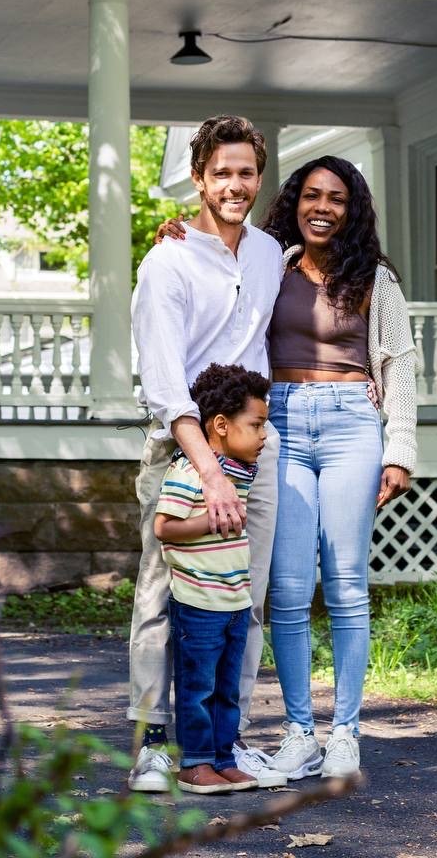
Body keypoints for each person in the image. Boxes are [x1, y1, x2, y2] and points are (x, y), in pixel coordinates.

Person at [128, 114, 287, 792]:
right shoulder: (165, 262)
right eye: (220, 172)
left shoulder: (266, 253)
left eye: (245, 172)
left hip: (256, 450)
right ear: (197, 178)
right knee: (161, 600)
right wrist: (207, 473)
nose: (234, 184)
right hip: (182, 446)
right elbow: (165, 385)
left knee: (241, 599)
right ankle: (153, 744)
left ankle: (226, 740)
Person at [262, 156, 417, 781]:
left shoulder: (375, 277)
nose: (322, 207)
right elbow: (210, 278)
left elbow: (400, 363)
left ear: (352, 210)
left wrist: (400, 448)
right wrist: (175, 234)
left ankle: (345, 733)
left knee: (348, 584)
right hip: (281, 422)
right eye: (311, 195)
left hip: (353, 422)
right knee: (289, 588)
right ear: (295, 202)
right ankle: (299, 733)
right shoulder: (267, 265)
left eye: (337, 199)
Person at [154, 363, 270, 794]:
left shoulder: (240, 473)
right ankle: (195, 763)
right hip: (199, 603)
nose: (263, 435)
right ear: (220, 425)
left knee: (225, 689)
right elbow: (164, 527)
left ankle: (223, 757)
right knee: (197, 688)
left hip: (235, 603)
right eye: (256, 424)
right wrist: (209, 521)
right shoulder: (188, 472)